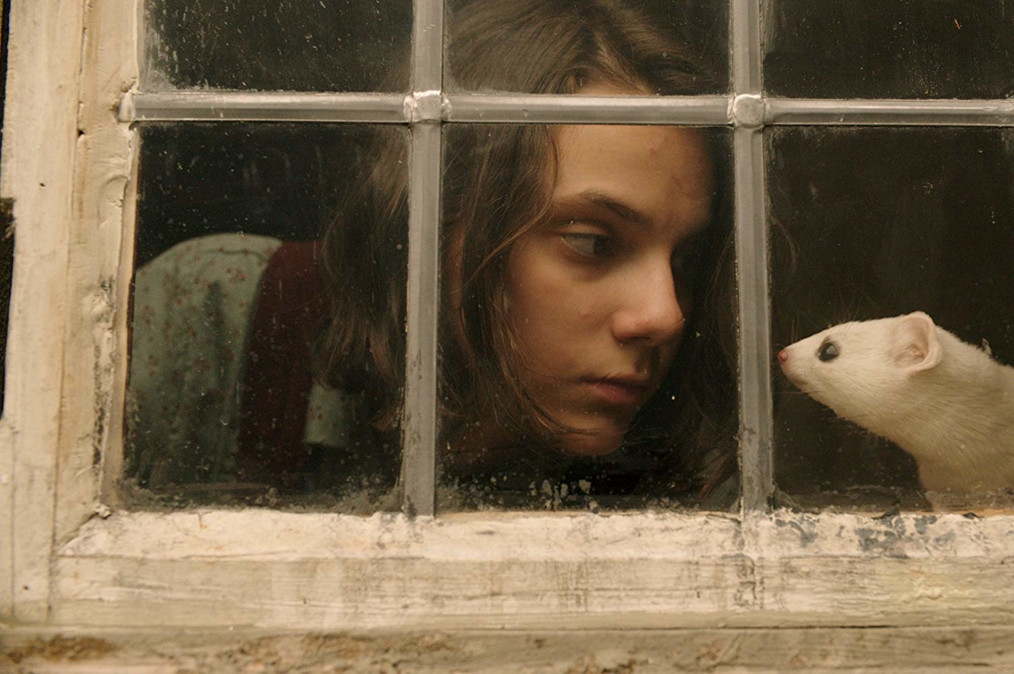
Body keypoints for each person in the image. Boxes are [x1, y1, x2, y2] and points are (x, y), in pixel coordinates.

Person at [126, 0, 737, 509]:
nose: (666, 316)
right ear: (434, 219)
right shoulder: (217, 311)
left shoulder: (698, 473)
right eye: (592, 243)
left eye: (684, 260)